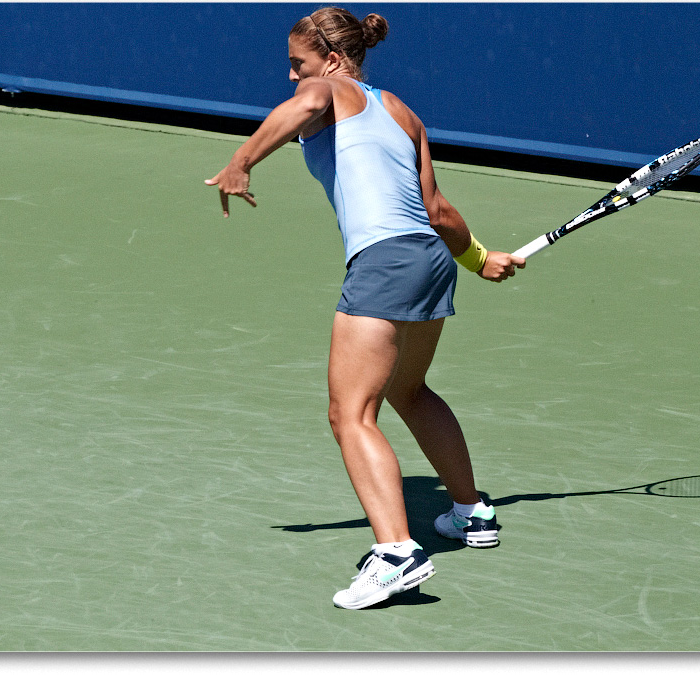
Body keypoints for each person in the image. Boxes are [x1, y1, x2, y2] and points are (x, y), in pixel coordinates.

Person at [205, 7, 526, 610]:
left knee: (350, 413)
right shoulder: (402, 111)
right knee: (411, 389)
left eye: (297, 62)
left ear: (329, 59)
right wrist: (479, 257)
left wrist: (242, 161)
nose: (292, 74)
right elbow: (436, 208)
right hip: (431, 259)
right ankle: (472, 513)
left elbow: (303, 107)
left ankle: (396, 553)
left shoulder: (324, 89)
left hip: (383, 261)